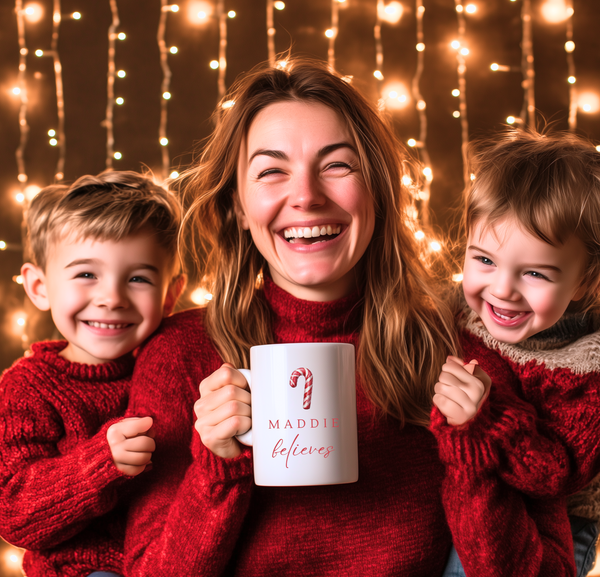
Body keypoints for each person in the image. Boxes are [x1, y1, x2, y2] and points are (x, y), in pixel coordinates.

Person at [122, 58, 575, 576]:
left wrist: (474, 454)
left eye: (338, 165)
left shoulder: (461, 349)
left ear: (378, 193)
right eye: (271, 171)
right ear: (239, 209)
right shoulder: (181, 356)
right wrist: (217, 467)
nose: (307, 196)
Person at [431, 130, 600, 577]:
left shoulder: (589, 367)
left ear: (583, 281)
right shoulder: (452, 317)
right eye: (484, 260)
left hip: (550, 528)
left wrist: (488, 420)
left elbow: (557, 472)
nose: (502, 290)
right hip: (462, 507)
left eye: (535, 273)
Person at [0, 171, 185, 577]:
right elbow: (14, 512)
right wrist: (101, 462)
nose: (112, 298)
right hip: (84, 569)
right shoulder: (26, 386)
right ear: (39, 285)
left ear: (171, 294)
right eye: (86, 274)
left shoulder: (171, 370)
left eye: (138, 278)